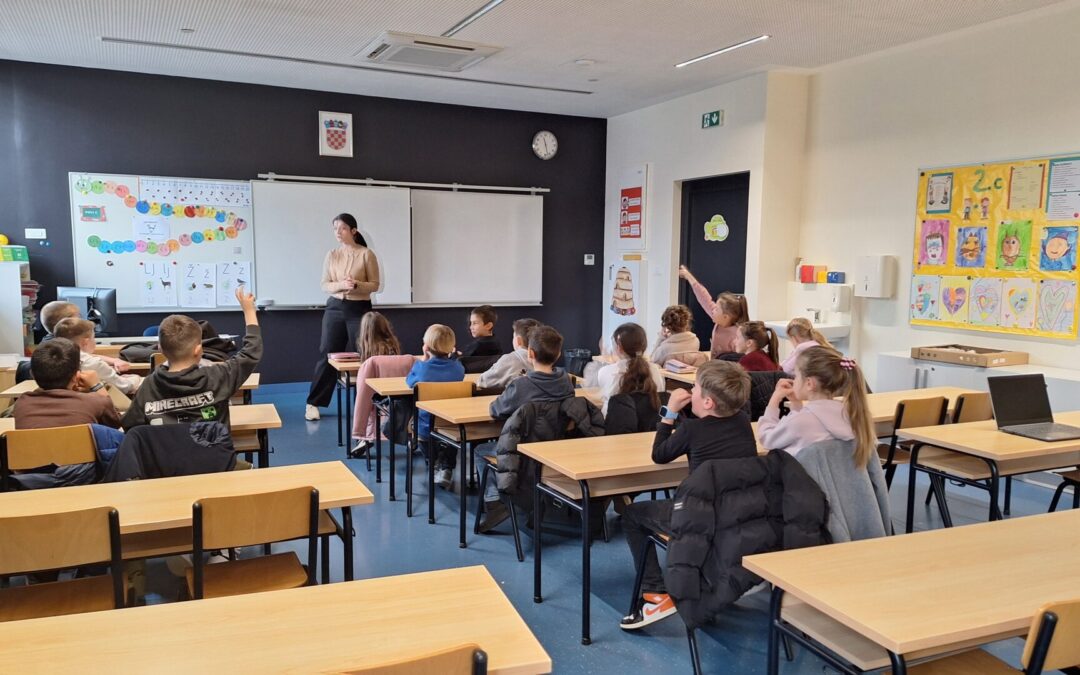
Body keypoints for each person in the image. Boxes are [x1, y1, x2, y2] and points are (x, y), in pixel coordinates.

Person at [619, 360, 757, 630]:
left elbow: (659, 455)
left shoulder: (692, 430)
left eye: (695, 387)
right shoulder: (742, 421)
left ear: (707, 402)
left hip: (698, 520)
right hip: (737, 518)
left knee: (632, 515)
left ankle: (654, 590)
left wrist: (669, 413)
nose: (690, 391)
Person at [475, 325, 576, 530]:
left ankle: (495, 502)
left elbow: (495, 410)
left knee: (479, 451)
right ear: (558, 354)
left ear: (530, 353)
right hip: (554, 451)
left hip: (523, 453)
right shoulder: (566, 381)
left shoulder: (522, 385)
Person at [122, 287, 262, 430]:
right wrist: (249, 311)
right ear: (199, 349)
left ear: (160, 349)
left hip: (166, 445)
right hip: (212, 445)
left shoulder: (149, 385)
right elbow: (251, 352)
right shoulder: (217, 376)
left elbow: (130, 425)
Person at [13, 338, 125, 487]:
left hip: (31, 480)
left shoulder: (22, 403)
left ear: (32, 374)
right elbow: (116, 423)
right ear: (76, 375)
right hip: (84, 479)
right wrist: (97, 387)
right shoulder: (95, 401)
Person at [305, 213, 381, 421]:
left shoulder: (366, 254)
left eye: (343, 228)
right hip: (335, 308)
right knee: (327, 354)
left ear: (353, 231)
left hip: (359, 308)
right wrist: (341, 285)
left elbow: (375, 285)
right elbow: (325, 284)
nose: (338, 232)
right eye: (335, 229)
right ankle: (313, 403)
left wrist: (356, 285)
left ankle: (368, 404)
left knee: (364, 354)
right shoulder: (332, 255)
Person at [757, 346, 874, 461]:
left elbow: (767, 439)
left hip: (806, 474)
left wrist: (774, 400)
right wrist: (796, 404)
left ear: (809, 383)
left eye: (796, 376)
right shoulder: (851, 413)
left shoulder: (800, 422)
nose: (794, 380)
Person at [406, 324, 466, 490]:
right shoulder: (458, 368)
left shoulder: (421, 367)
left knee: (418, 428)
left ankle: (432, 462)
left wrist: (424, 358)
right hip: (452, 424)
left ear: (426, 346)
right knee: (451, 440)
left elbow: (409, 382)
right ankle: (447, 468)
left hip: (426, 425)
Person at [16, 300, 132, 383]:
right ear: (67, 322)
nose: (82, 319)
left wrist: (113, 361)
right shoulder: (57, 348)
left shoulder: (52, 342)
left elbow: (82, 356)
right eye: (78, 316)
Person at [348, 311, 404, 458]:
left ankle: (365, 438)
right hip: (397, 393)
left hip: (378, 396)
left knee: (366, 399)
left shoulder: (369, 351)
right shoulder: (393, 346)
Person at [52, 317, 142, 395]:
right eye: (93, 338)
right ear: (85, 342)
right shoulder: (94, 363)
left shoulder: (52, 358)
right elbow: (124, 387)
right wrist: (136, 378)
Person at [677, 265, 749, 357]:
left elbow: (740, 359)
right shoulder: (719, 319)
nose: (713, 310)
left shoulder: (737, 335)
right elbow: (704, 298)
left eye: (716, 309)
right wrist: (688, 276)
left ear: (725, 316)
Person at [597, 323, 665, 416]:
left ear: (619, 347)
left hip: (616, 423)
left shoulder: (605, 371)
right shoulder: (655, 370)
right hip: (650, 423)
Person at [476, 318, 541, 390]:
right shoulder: (546, 359)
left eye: (513, 337)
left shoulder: (509, 360)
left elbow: (483, 381)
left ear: (518, 340)